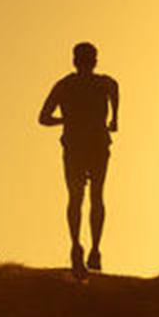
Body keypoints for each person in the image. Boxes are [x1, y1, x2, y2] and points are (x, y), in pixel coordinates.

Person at [39, 42, 119, 279]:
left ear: (75, 61)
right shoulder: (104, 82)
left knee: (75, 197)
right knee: (97, 195)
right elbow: (115, 91)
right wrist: (114, 119)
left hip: (74, 145)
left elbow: (43, 118)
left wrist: (66, 120)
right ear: (94, 61)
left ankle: (76, 245)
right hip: (97, 144)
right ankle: (94, 249)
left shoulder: (64, 86)